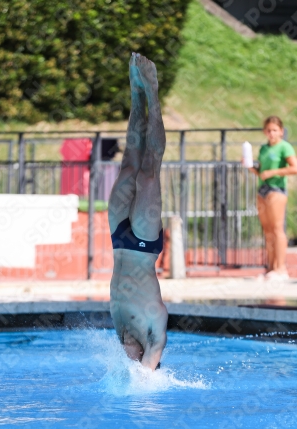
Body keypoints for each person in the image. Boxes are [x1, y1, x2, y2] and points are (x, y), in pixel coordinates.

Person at [108, 53, 168, 371]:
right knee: (148, 173)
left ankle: (135, 93)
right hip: (144, 247)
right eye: (137, 358)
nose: (127, 355)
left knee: (130, 162)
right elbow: (146, 379)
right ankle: (153, 91)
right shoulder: (155, 334)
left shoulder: (121, 334)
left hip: (118, 239)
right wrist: (147, 367)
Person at [248, 116, 297, 280]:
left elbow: (295, 168)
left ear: (281, 132)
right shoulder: (264, 148)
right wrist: (252, 168)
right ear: (265, 131)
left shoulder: (285, 147)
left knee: (277, 229)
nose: (271, 133)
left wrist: (274, 172)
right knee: (268, 230)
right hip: (262, 189)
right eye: (269, 130)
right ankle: (270, 268)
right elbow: (262, 171)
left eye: (275, 130)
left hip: (276, 189)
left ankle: (281, 268)